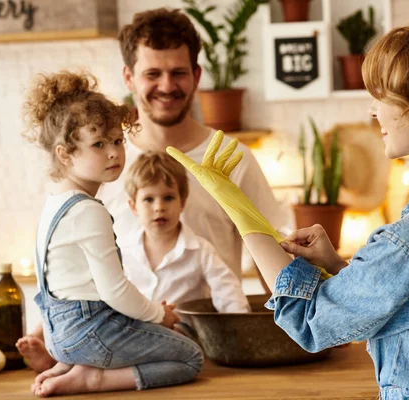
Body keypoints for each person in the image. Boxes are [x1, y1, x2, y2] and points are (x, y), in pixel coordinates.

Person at [168, 17, 409, 399]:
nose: (373, 111)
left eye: (382, 98)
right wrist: (340, 267)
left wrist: (236, 208)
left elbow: (312, 322)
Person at [19, 71, 203, 397]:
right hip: (88, 334)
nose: (114, 153)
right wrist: (160, 315)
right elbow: (115, 291)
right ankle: (93, 378)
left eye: (118, 141)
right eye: (98, 144)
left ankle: (73, 365)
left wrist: (147, 314)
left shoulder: (55, 204)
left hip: (58, 335)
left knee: (142, 327)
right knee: (190, 356)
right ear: (65, 154)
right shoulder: (88, 211)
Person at [96, 8, 290, 279]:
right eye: (152, 74)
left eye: (178, 73)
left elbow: (276, 264)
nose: (166, 86)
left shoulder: (233, 158)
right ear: (129, 77)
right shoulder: (103, 161)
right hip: (122, 322)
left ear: (196, 76)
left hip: (214, 320)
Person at [122, 151, 250, 333]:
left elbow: (227, 291)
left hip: (185, 336)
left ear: (182, 202)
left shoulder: (201, 250)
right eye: (149, 199)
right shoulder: (122, 250)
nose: (159, 207)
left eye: (168, 198)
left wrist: (241, 328)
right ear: (134, 206)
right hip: (135, 337)